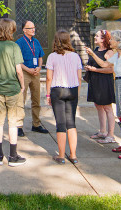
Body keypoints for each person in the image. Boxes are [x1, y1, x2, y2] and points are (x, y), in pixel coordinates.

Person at [89, 29, 121, 160]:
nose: (110, 41)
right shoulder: (117, 55)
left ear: (119, 41)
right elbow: (104, 64)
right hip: (119, 84)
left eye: (112, 39)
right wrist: (92, 54)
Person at [0, 18, 27, 167]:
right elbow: (19, 71)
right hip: (13, 90)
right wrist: (22, 86)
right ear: (11, 30)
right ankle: (13, 156)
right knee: (13, 123)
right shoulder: (14, 47)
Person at [45, 30, 83, 164]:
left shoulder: (52, 57)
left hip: (58, 90)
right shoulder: (75, 56)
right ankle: (73, 155)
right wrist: (77, 92)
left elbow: (49, 78)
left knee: (60, 124)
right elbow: (79, 77)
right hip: (72, 90)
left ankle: (61, 156)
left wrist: (48, 94)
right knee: (71, 123)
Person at [15, 20, 49, 135]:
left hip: (35, 73)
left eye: (34, 27)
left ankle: (36, 124)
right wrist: (27, 69)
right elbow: (17, 61)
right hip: (24, 73)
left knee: (36, 100)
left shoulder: (36, 42)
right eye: (30, 28)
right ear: (24, 30)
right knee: (21, 100)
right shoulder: (19, 42)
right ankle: (19, 126)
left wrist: (39, 67)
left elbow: (40, 56)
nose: (33, 30)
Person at [85, 30, 116, 144]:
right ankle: (102, 131)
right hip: (95, 81)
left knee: (107, 108)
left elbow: (110, 69)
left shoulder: (109, 52)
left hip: (104, 82)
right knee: (98, 106)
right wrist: (89, 68)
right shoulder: (96, 50)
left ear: (103, 39)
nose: (95, 37)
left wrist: (95, 69)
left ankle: (111, 134)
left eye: (97, 36)